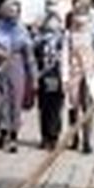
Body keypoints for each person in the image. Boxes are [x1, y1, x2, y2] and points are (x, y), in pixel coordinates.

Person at [0, 0, 35, 152]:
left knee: (15, 105)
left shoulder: (22, 31)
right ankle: (3, 129)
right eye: (9, 11)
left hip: (16, 67)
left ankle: (13, 138)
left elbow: (29, 56)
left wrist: (33, 78)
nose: (13, 14)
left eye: (15, 12)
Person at [63, 6, 94, 155]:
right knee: (73, 109)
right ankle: (75, 138)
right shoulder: (68, 36)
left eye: (83, 14)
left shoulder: (93, 36)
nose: (81, 18)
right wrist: (65, 78)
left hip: (89, 75)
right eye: (78, 14)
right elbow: (64, 58)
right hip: (73, 76)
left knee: (87, 108)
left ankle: (87, 141)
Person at [34, 12, 65, 149]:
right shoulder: (38, 40)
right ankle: (45, 136)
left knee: (55, 107)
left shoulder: (63, 39)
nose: (52, 25)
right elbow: (33, 59)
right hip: (43, 76)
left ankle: (53, 136)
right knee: (43, 107)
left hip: (56, 75)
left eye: (55, 22)